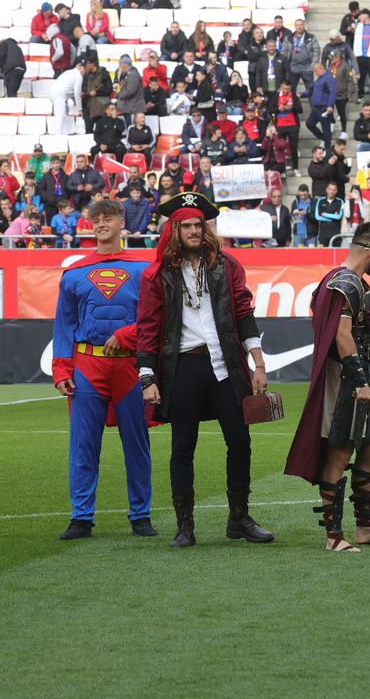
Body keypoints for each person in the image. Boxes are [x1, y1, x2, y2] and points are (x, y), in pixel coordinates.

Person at [136, 192, 273, 548]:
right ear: (174, 230)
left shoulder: (226, 266)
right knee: (183, 446)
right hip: (183, 367)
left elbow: (244, 314)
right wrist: (147, 378)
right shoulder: (156, 275)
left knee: (240, 441)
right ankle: (185, 527)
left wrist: (258, 364)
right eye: (187, 226)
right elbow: (148, 329)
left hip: (225, 365)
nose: (195, 231)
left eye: (199, 224)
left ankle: (239, 519)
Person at [285, 223, 370, 552]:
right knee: (340, 450)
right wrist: (360, 380)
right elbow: (342, 335)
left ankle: (365, 527)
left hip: (352, 375)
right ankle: (334, 537)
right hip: (345, 380)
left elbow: (358, 332)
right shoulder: (347, 283)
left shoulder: (337, 280)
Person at [52, 199, 155, 540]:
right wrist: (61, 370)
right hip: (87, 366)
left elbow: (155, 322)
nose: (101, 224)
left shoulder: (144, 270)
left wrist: (126, 335)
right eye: (95, 219)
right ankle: (82, 517)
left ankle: (140, 515)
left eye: (108, 217)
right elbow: (65, 326)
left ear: (121, 222)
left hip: (129, 367)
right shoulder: (74, 273)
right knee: (83, 444)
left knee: (137, 444)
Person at [302, 62, 335, 152]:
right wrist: (301, 94)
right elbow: (310, 90)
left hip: (324, 106)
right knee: (309, 123)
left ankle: (328, 149)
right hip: (316, 107)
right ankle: (323, 138)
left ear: (321, 69)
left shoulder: (328, 78)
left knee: (326, 128)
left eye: (316, 71)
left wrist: (329, 105)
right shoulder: (318, 80)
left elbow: (332, 92)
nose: (315, 73)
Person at [352, 9, 370, 99]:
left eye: (361, 15)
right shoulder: (359, 26)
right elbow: (356, 41)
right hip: (360, 55)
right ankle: (360, 94)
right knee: (360, 75)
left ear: (367, 15)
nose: (359, 17)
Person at [314, 181, 345, 245]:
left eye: (334, 190)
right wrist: (332, 217)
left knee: (336, 254)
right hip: (323, 234)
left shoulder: (340, 201)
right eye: (330, 189)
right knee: (323, 255)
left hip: (336, 234)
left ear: (336, 191)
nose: (332, 191)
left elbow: (338, 217)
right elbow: (317, 217)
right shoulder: (320, 201)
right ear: (327, 190)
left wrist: (325, 214)